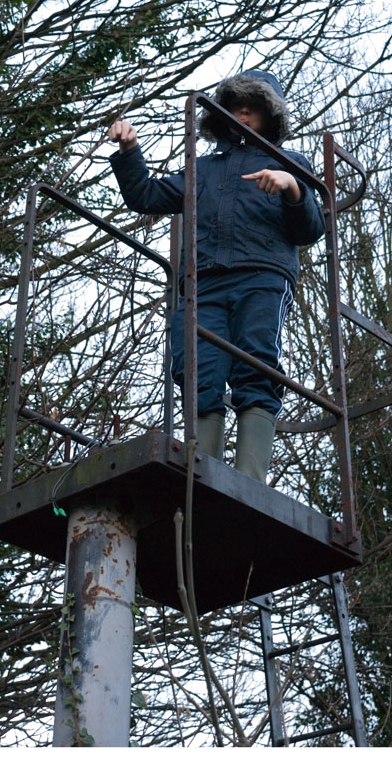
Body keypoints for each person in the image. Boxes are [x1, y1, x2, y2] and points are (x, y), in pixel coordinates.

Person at [108, 69, 324, 483]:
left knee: (256, 362)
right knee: (197, 369)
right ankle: (203, 473)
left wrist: (292, 188)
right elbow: (145, 195)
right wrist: (130, 149)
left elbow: (310, 229)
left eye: (254, 107)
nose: (244, 113)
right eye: (236, 106)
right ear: (221, 113)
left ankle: (249, 477)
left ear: (270, 115)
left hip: (262, 277)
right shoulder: (202, 168)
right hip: (204, 282)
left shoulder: (290, 163)